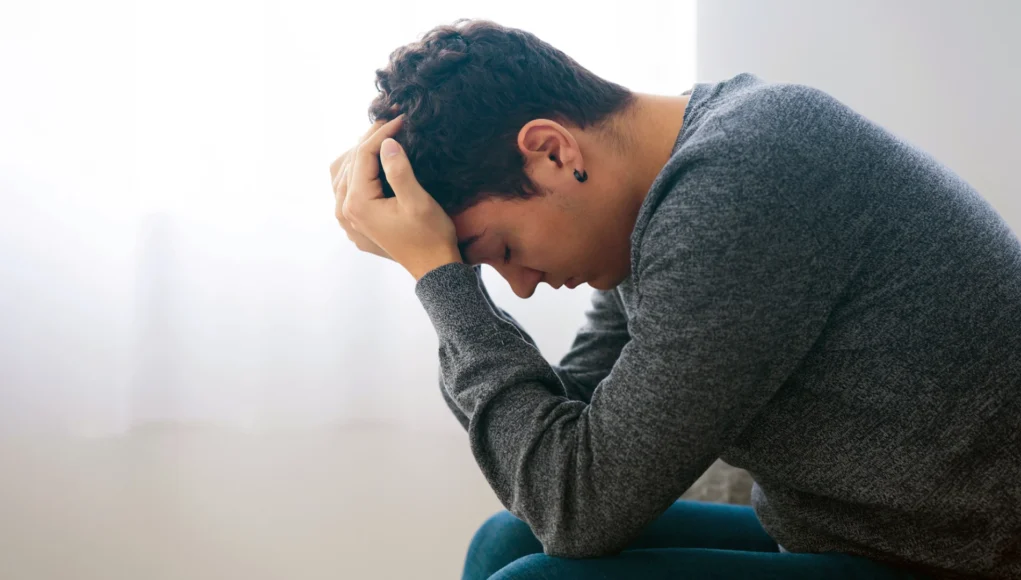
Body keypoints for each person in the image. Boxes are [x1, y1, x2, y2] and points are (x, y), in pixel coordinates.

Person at [328, 19, 1021, 580]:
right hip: (848, 539)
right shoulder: (664, 202)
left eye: (501, 250)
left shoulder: (742, 182)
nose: (521, 285)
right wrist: (441, 278)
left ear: (547, 150)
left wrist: (441, 285)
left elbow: (577, 506)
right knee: (505, 542)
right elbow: (554, 466)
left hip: (955, 560)